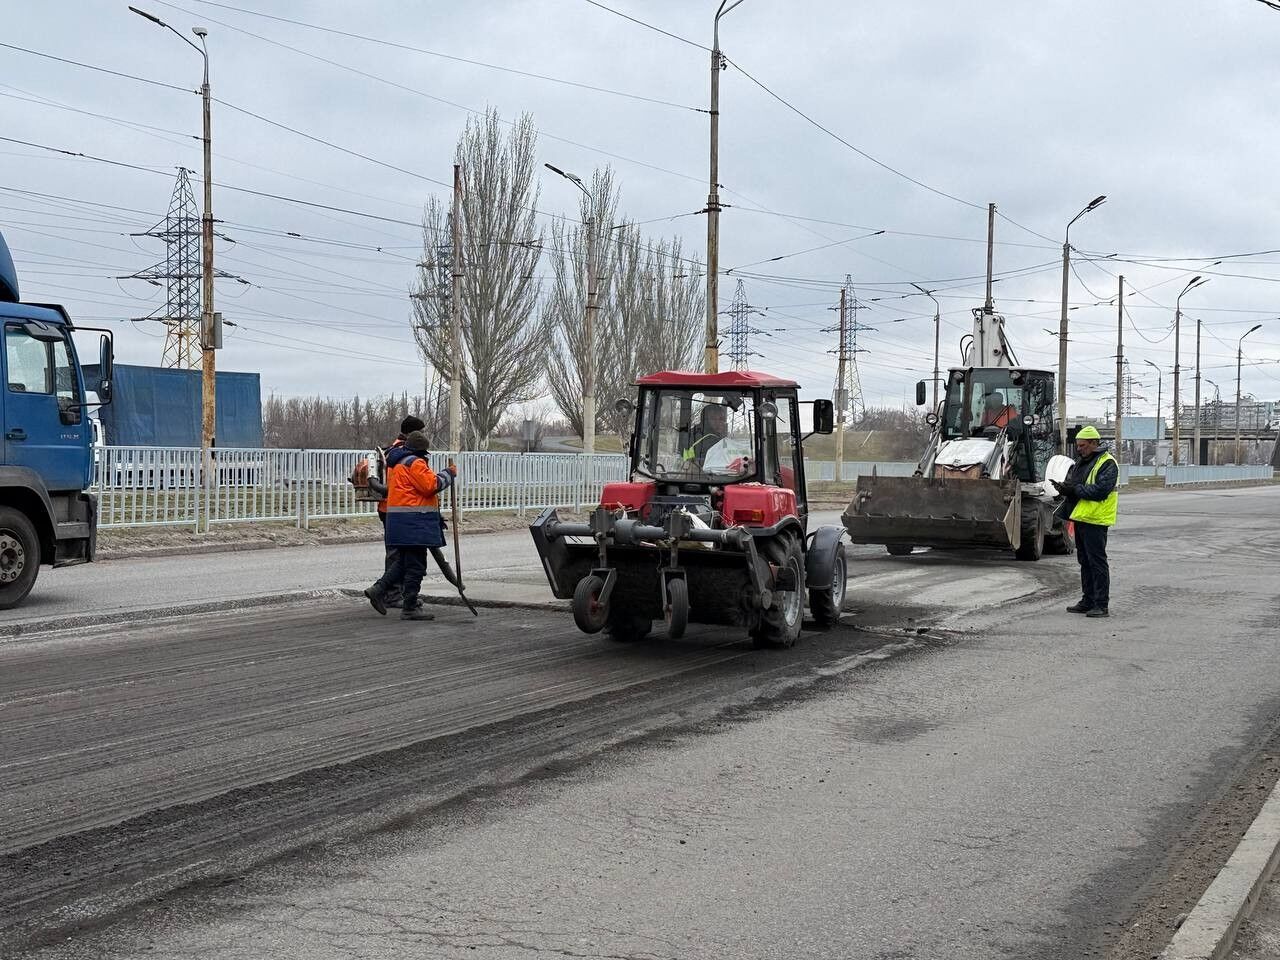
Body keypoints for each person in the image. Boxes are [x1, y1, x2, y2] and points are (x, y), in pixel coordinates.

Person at [364, 430, 456, 621]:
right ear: (422, 450)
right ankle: (410, 607)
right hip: (414, 522)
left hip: (400, 521)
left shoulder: (397, 463)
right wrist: (449, 473)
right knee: (416, 566)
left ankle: (378, 589)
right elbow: (431, 485)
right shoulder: (415, 463)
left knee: (403, 562)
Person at [1051, 424, 1118, 618]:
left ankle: (1101, 604)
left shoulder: (1107, 463)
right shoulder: (1083, 461)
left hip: (1096, 519)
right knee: (1085, 561)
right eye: (1078, 446)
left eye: (1083, 445)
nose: (1079, 449)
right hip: (1081, 517)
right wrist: (1065, 488)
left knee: (1097, 562)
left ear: (1094, 443)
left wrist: (1075, 490)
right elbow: (1076, 485)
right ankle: (1087, 600)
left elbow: (1100, 491)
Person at [366, 415, 425, 608]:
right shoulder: (401, 453)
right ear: (411, 433)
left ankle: (396, 593)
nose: (423, 435)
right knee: (398, 555)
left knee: (399, 554)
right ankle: (392, 594)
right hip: (399, 511)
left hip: (391, 509)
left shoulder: (391, 450)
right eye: (420, 432)